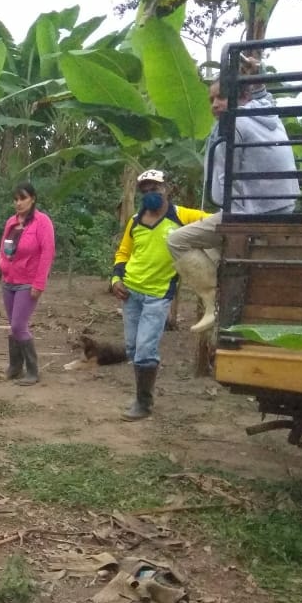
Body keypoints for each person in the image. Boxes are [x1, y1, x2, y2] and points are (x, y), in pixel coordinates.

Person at [166, 73, 299, 332]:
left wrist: (226, 216)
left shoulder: (233, 125)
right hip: (281, 205)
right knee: (212, 250)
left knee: (177, 241)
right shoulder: (266, 115)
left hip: (252, 211)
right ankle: (222, 290)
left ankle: (213, 300)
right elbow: (263, 97)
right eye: (211, 99)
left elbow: (228, 177)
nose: (215, 104)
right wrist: (257, 79)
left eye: (222, 97)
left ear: (243, 97)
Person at [112, 170, 207, 421]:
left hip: (159, 294)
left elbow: (214, 222)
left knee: (145, 349)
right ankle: (140, 396)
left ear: (167, 189)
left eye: (154, 188)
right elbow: (123, 253)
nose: (150, 194)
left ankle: (143, 404)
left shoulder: (182, 216)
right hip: (130, 292)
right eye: (145, 191)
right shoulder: (135, 221)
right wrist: (116, 279)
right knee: (133, 348)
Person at [0, 182, 55, 386]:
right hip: (8, 281)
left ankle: (32, 370)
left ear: (33, 199)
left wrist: (39, 283)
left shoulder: (42, 222)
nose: (18, 203)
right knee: (14, 326)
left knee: (19, 325)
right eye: (16, 199)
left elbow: (47, 253)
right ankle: (15, 367)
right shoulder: (11, 222)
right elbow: (3, 248)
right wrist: (1, 263)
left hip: (28, 282)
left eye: (23, 198)